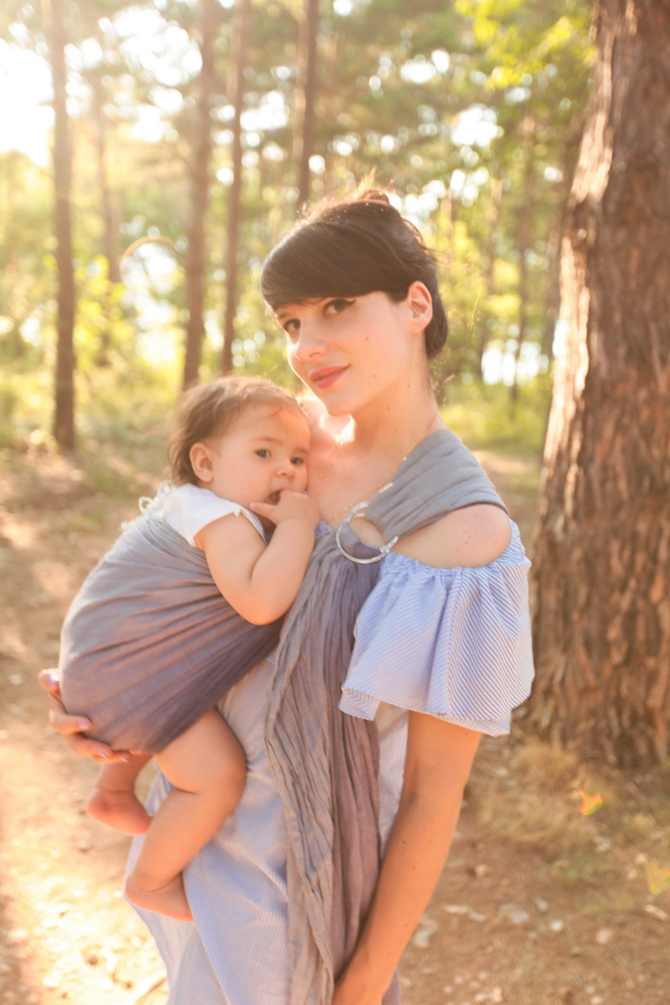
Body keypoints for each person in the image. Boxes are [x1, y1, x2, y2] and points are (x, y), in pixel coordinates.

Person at [42, 188, 534, 1004]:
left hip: (296, 877)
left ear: (417, 304)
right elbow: (169, 579)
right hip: (195, 817)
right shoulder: (279, 443)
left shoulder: (465, 534)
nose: (308, 344)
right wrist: (111, 698)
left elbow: (429, 792)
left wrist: (366, 979)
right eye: (292, 321)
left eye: (338, 307)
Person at [57, 376, 319, 922]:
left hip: (104, 664)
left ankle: (115, 786)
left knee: (181, 674)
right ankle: (150, 882)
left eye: (298, 457)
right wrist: (299, 527)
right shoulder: (223, 518)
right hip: (126, 676)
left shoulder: (188, 505)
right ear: (205, 463)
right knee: (219, 775)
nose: (285, 470)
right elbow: (259, 602)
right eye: (264, 452)